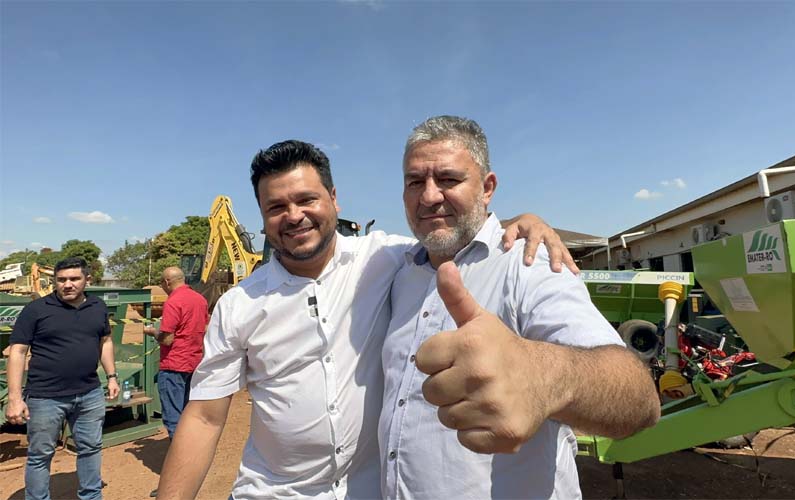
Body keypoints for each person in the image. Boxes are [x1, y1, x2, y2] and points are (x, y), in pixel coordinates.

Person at [156, 140, 573, 499]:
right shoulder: (239, 303)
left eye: (306, 199)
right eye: (276, 206)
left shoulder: (387, 258)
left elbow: (454, 234)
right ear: (263, 218)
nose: (294, 215)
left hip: (370, 489)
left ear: (334, 199)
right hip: (275, 491)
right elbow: (206, 416)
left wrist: (525, 221)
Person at [379, 115, 662, 499]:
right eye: (415, 181)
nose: (429, 196)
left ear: (487, 187)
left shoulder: (528, 263)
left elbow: (638, 398)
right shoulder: (399, 271)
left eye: (448, 179)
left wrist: (543, 374)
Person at [5, 257, 120, 500]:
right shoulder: (36, 310)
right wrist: (15, 398)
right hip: (45, 397)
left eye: (74, 279)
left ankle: (91, 496)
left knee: (90, 449)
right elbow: (17, 351)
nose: (68, 284)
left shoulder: (98, 307)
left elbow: (105, 342)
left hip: (89, 394)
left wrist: (112, 377)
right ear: (54, 281)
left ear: (87, 280)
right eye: (62, 280)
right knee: (40, 455)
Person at [143, 267, 208, 497]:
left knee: (174, 423)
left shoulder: (173, 302)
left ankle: (177, 481)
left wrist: (152, 331)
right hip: (194, 365)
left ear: (166, 281)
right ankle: (194, 470)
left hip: (173, 365)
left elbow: (167, 336)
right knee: (190, 419)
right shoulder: (199, 300)